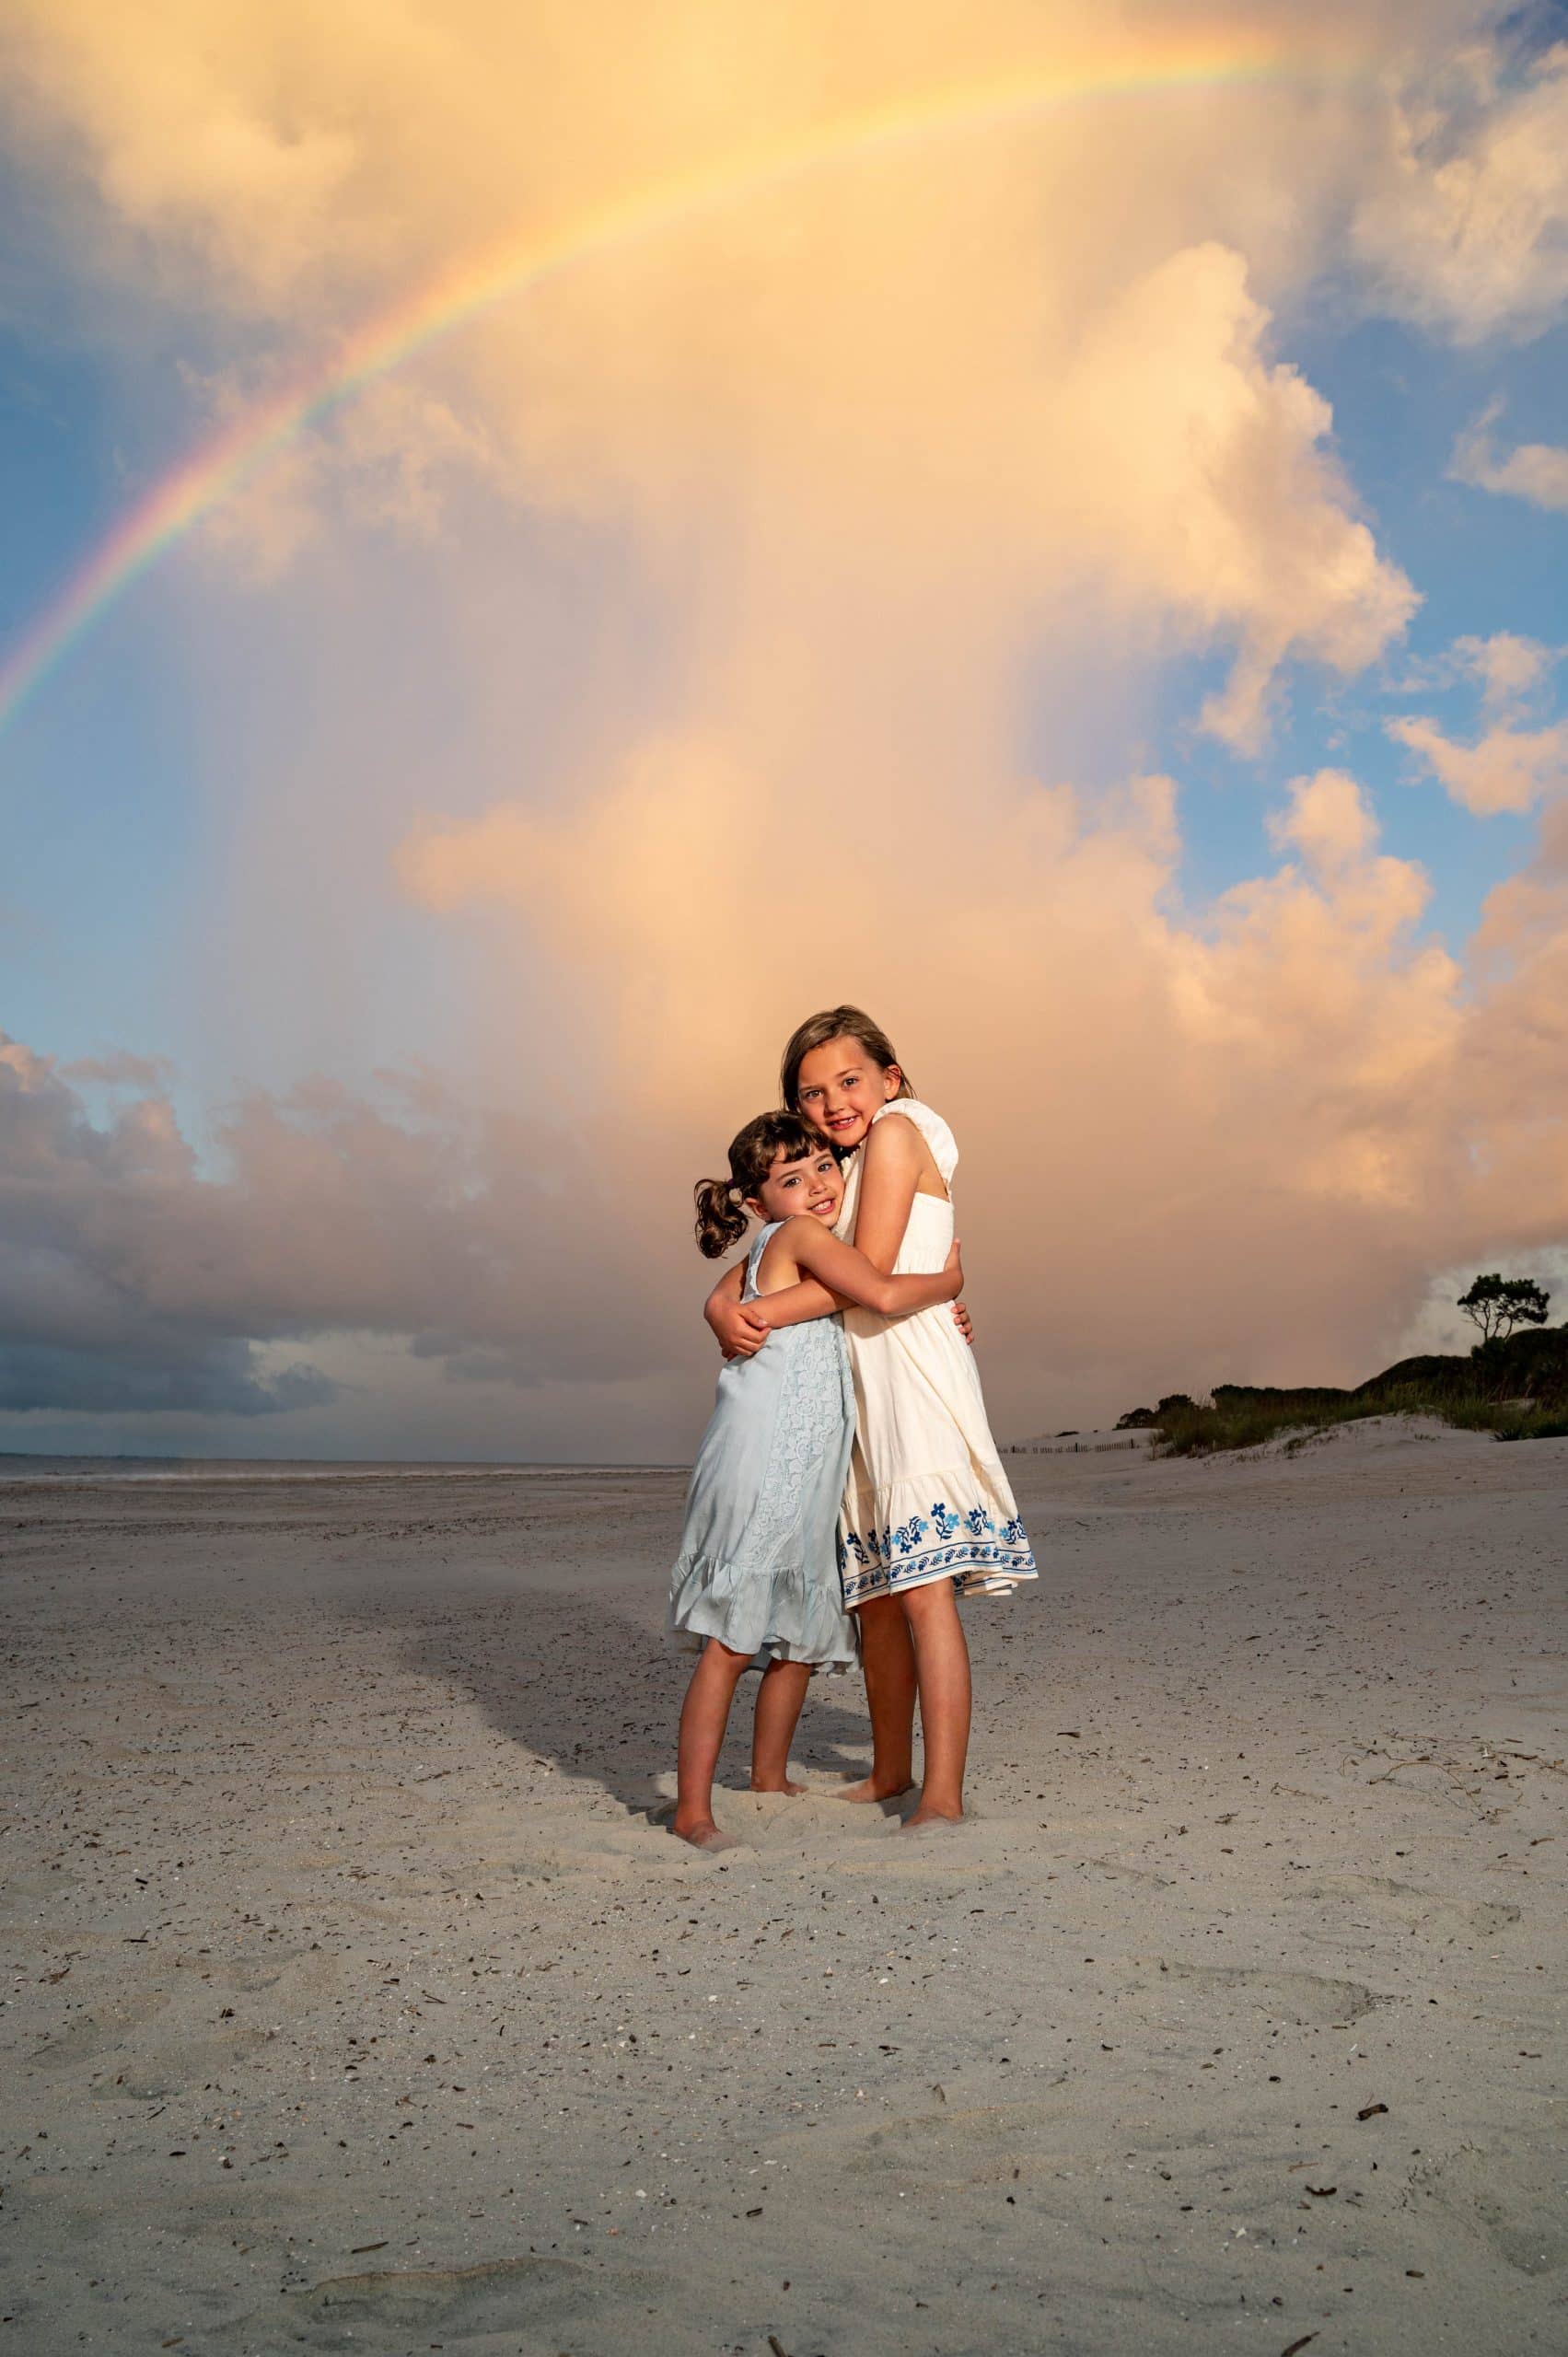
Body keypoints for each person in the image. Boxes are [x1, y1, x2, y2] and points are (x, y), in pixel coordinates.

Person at [705, 1009, 1033, 1829]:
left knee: (923, 1593)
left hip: (908, 1376)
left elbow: (874, 1276)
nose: (830, 1103)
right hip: (857, 1380)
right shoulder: (838, 1167)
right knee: (876, 1596)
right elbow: (776, 1251)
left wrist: (762, 1313)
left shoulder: (894, 1131)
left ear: (889, 1077)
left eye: (848, 1080)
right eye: (810, 1093)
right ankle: (890, 1772)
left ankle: (943, 1795)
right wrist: (721, 1306)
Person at [670, 1109, 965, 1851]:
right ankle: (691, 1812)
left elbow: (735, 1294)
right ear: (756, 1202)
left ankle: (767, 1778)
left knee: (798, 1633)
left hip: (803, 1469)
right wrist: (951, 1280)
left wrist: (725, 1305)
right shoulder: (801, 1237)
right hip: (766, 1460)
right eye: (790, 1179)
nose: (818, 1185)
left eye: (824, 1167)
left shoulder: (784, 1243)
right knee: (734, 1642)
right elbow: (882, 1293)